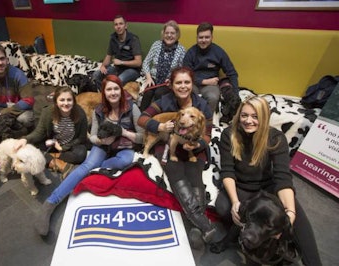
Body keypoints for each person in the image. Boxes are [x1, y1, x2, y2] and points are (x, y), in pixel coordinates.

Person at [214, 95, 322, 265]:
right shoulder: (229, 134)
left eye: (255, 116)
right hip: (241, 186)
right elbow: (227, 171)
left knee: (298, 222)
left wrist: (290, 212)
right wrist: (235, 202)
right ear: (239, 115)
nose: (248, 120)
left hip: (267, 187)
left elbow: (283, 177)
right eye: (244, 115)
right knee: (223, 208)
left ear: (264, 118)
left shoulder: (276, 138)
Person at [35, 75, 144, 236]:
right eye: (109, 89)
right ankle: (50, 203)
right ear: (103, 92)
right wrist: (100, 141)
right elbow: (91, 136)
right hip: (103, 147)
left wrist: (123, 132)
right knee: (86, 165)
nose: (113, 92)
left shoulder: (132, 108)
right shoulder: (99, 110)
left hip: (123, 147)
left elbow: (142, 137)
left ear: (121, 90)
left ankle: (87, 171)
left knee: (125, 160)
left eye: (116, 88)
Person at [138, 66, 215, 246]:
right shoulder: (164, 101)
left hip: (194, 148)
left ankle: (197, 227)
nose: (183, 86)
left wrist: (198, 144)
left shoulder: (203, 105)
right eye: (178, 83)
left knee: (194, 175)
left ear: (192, 84)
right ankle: (203, 224)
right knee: (175, 172)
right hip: (168, 145)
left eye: (186, 82)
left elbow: (208, 135)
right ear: (171, 85)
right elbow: (141, 119)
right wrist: (159, 127)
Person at [13, 87, 89, 180]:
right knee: (29, 146)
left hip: (70, 145)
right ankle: (61, 165)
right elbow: (39, 132)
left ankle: (49, 159)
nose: (66, 103)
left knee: (81, 153)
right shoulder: (48, 112)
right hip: (51, 143)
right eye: (62, 100)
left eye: (69, 100)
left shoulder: (80, 113)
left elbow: (81, 138)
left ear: (73, 101)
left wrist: (63, 147)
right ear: (56, 101)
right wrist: (25, 139)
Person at [183, 22, 239, 115]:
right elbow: (186, 74)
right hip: (193, 83)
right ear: (197, 38)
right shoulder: (191, 52)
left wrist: (236, 94)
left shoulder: (219, 52)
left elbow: (232, 73)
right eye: (201, 37)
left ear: (212, 37)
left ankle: (206, 120)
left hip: (211, 86)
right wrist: (204, 81)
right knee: (184, 93)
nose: (203, 40)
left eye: (207, 37)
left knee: (213, 97)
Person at [140, 20, 186, 111]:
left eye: (172, 33)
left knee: (159, 93)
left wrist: (172, 80)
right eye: (167, 33)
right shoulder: (156, 45)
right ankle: (142, 116)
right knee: (148, 92)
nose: (169, 35)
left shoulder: (181, 50)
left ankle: (156, 117)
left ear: (177, 35)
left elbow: (181, 70)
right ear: (163, 34)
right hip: (153, 78)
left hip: (168, 81)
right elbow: (145, 62)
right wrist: (148, 78)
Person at [93, 15, 142, 87]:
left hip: (132, 70)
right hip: (117, 68)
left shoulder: (133, 39)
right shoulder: (113, 38)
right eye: (116, 24)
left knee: (118, 81)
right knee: (96, 75)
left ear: (126, 26)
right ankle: (103, 95)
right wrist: (103, 66)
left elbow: (138, 62)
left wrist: (121, 62)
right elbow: (108, 56)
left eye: (121, 24)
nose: (118, 26)